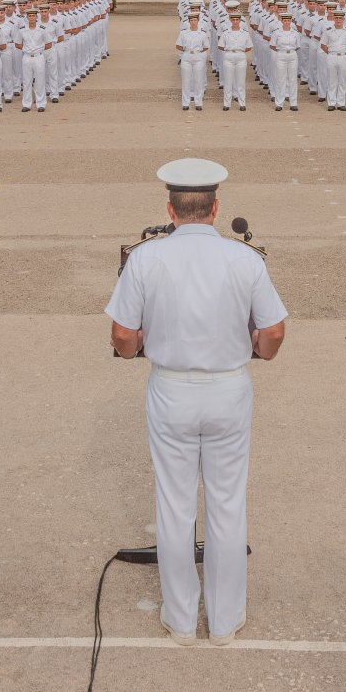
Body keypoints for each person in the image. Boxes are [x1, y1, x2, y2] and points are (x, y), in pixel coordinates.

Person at [106, 159, 287, 644]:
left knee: (175, 504)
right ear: (215, 209)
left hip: (170, 388)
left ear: (171, 208)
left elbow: (123, 335)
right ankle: (225, 620)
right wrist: (256, 349)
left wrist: (135, 347)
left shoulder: (146, 258)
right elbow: (272, 332)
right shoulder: (244, 258)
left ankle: (181, 618)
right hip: (229, 387)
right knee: (228, 503)